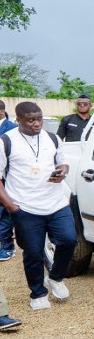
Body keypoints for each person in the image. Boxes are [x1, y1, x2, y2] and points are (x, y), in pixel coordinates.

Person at [0, 102, 75, 309]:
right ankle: (38, 293)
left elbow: (63, 161)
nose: (36, 124)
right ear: (19, 120)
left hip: (56, 203)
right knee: (32, 252)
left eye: (39, 119)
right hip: (25, 207)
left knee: (68, 240)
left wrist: (62, 172)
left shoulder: (53, 138)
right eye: (31, 120)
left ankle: (56, 277)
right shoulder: (6, 141)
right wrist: (12, 207)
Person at [0, 101, 15, 262]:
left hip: (5, 176)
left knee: (4, 212)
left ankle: (7, 246)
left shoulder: (11, 129)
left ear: (2, 111)